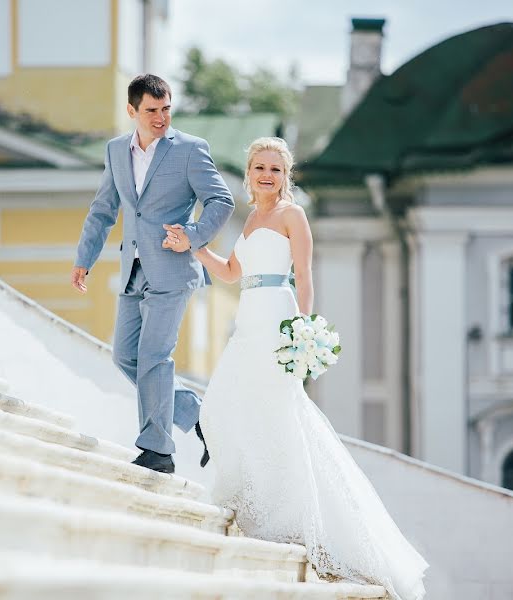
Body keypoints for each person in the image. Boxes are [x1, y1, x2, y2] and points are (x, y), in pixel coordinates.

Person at [163, 137, 427, 600]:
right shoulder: (251, 218)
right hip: (247, 319)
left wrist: (302, 332)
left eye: (276, 170)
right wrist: (192, 247)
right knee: (224, 405)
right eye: (260, 168)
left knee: (279, 412)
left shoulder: (292, 216)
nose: (268, 176)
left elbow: (304, 275)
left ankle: (287, 517)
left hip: (276, 318)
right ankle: (251, 497)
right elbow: (229, 273)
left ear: (287, 176)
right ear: (249, 173)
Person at [72, 74, 234, 474]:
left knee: (154, 357)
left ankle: (157, 450)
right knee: (125, 356)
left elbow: (221, 200)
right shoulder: (115, 151)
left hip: (173, 270)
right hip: (133, 269)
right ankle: (200, 418)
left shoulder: (191, 150)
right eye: (151, 110)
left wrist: (193, 236)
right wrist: (84, 258)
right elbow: (104, 209)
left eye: (166, 109)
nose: (161, 117)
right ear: (132, 111)